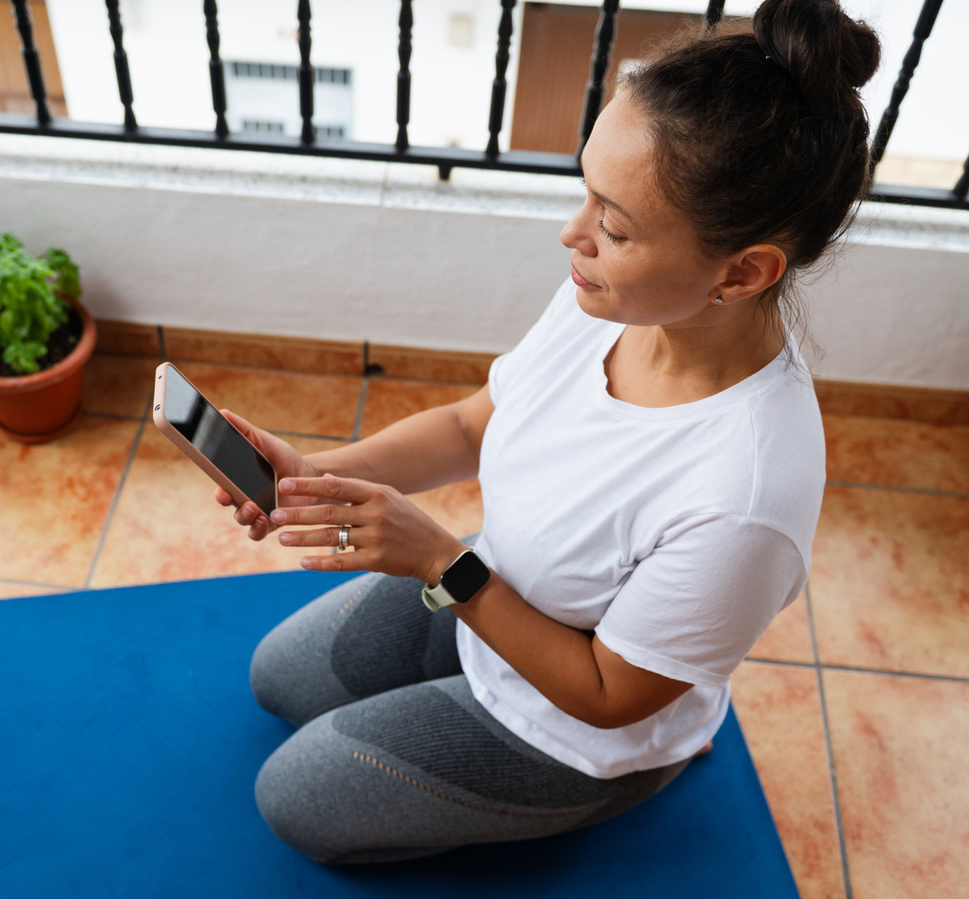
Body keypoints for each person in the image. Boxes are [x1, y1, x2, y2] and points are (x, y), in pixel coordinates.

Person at [214, 0, 879, 864]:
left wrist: (440, 562)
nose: (573, 234)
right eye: (587, 193)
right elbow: (469, 425)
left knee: (293, 798)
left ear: (743, 271)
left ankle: (655, 766)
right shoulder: (610, 302)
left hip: (575, 726)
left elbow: (606, 693)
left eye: (613, 225)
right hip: (494, 588)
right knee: (278, 677)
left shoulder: (746, 497)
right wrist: (307, 473)